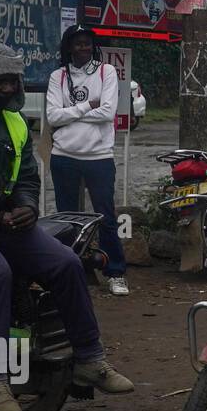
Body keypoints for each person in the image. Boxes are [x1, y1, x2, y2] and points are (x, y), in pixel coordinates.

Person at [0, 42, 133, 411]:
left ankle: (89, 358)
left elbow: (26, 176)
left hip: (4, 220)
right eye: (0, 81)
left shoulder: (14, 119)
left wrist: (26, 206)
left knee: (67, 263)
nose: (8, 88)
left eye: (13, 81)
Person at [46, 24, 129, 296]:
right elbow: (53, 117)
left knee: (105, 216)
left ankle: (115, 272)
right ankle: (73, 273)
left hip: (99, 156)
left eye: (87, 43)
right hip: (63, 156)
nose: (82, 48)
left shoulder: (107, 72)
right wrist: (86, 106)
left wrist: (70, 111)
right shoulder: (57, 76)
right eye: (77, 43)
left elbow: (107, 112)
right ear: (68, 47)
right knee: (67, 220)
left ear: (93, 46)